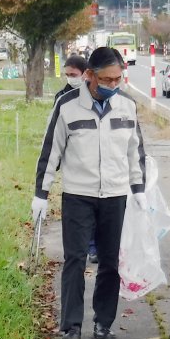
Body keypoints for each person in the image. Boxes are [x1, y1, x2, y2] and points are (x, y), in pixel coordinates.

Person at [32, 47, 147, 339]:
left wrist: (139, 190)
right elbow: (50, 151)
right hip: (78, 195)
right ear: (90, 76)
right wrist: (41, 194)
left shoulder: (127, 105)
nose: (113, 85)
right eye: (107, 80)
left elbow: (136, 151)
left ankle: (103, 322)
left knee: (110, 261)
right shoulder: (67, 105)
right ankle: (70, 325)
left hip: (115, 195)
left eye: (118, 79)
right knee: (75, 259)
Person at [53, 54, 98, 264]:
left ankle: (97, 246)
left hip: (94, 160)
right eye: (67, 74)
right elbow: (55, 134)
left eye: (74, 74)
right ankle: (88, 248)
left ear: (85, 74)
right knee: (81, 212)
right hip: (73, 162)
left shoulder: (94, 95)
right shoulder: (61, 97)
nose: (70, 78)